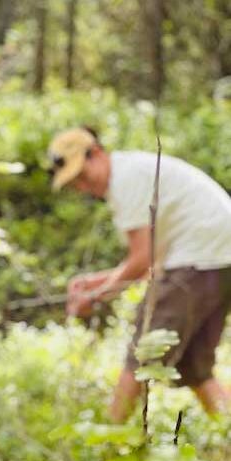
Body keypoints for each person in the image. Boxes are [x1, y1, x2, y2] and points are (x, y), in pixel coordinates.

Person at [48, 126, 231, 422]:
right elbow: (148, 261)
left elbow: (141, 261)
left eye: (82, 175)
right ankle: (226, 435)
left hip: (200, 257)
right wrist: (93, 283)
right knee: (195, 367)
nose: (82, 187)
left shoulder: (125, 180)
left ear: (96, 153)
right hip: (217, 258)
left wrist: (94, 296)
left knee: (141, 352)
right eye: (74, 183)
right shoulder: (131, 171)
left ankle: (109, 444)